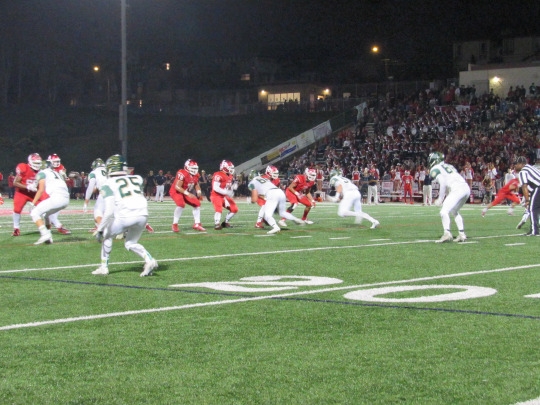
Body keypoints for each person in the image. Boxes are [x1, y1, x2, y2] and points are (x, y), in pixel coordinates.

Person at [92, 154, 158, 277]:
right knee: (131, 243)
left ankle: (104, 267)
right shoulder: (137, 178)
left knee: (107, 236)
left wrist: (100, 229)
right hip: (143, 214)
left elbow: (110, 210)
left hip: (125, 216)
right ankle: (149, 260)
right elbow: (137, 198)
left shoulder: (108, 183)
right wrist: (146, 223)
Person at [429, 152, 470, 243]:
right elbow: (449, 183)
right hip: (465, 188)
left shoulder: (435, 168)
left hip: (457, 189)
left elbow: (443, 183)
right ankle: (462, 234)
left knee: (443, 211)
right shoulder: (449, 166)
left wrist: (440, 199)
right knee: (454, 210)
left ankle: (447, 233)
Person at [30, 159, 70, 245]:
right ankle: (49, 237)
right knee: (46, 215)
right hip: (66, 199)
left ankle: (45, 234)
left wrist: (33, 203)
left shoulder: (42, 173)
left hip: (57, 198)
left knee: (34, 213)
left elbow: (40, 190)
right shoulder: (56, 173)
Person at [12, 153, 48, 236]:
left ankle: (49, 226)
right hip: (22, 192)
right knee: (17, 209)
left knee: (47, 206)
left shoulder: (42, 171)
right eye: (35, 163)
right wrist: (27, 187)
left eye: (39, 163)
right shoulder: (24, 168)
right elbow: (15, 182)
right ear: (30, 162)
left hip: (34, 193)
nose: (37, 165)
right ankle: (16, 228)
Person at [169, 159, 205, 232]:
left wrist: (198, 191)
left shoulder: (196, 175)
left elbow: (196, 183)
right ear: (187, 167)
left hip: (185, 191)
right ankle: (174, 224)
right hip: (176, 191)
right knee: (181, 204)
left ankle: (197, 224)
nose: (194, 170)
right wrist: (188, 194)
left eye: (195, 168)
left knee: (197, 203)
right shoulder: (182, 173)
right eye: (193, 168)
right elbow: (177, 187)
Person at [45, 154, 71, 234]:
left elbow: (64, 179)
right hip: (49, 190)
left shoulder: (60, 167)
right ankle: (58, 226)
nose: (57, 163)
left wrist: (64, 176)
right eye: (55, 161)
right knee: (49, 210)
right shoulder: (46, 169)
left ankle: (52, 224)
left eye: (57, 161)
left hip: (59, 190)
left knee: (55, 209)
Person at [514, 156, 540, 236]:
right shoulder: (531, 168)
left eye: (516, 164)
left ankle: (534, 231)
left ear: (521, 164)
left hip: (538, 187)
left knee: (532, 209)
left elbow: (524, 186)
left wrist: (527, 200)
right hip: (537, 187)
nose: (515, 166)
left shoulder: (523, 171)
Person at [211, 160, 238, 230]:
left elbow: (227, 187)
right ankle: (217, 224)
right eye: (230, 167)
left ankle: (225, 222)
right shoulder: (218, 174)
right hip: (216, 195)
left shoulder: (230, 176)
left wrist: (232, 188)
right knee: (219, 209)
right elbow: (215, 188)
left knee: (234, 209)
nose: (232, 169)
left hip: (224, 196)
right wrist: (226, 192)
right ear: (224, 167)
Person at [84, 158, 108, 232]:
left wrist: (86, 201)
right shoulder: (108, 170)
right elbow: (96, 187)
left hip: (105, 192)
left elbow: (91, 186)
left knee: (97, 210)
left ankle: (101, 228)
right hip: (116, 192)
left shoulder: (93, 172)